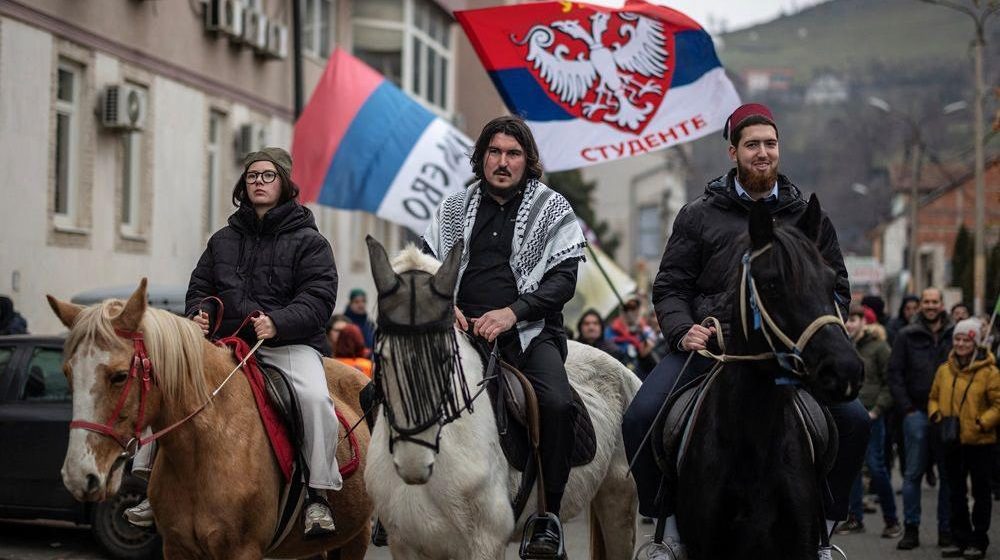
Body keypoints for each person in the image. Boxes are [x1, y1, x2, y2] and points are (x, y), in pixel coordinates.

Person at [622, 103, 868, 560]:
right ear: (733, 152)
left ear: (779, 150)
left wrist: (816, 335)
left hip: (789, 355)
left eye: (770, 144)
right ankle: (667, 535)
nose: (762, 153)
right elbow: (671, 286)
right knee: (641, 417)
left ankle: (823, 535)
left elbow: (836, 286)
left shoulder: (807, 216)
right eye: (752, 144)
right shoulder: (698, 215)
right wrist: (683, 331)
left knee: (854, 421)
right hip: (710, 349)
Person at [125, 148, 341, 537]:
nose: (258, 182)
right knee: (166, 386)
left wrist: (278, 322)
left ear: (286, 185)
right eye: (252, 176)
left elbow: (319, 297)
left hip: (286, 346)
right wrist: (200, 312)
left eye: (267, 175)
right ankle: (146, 487)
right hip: (223, 346)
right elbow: (200, 286)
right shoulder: (222, 239)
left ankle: (317, 496)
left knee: (315, 400)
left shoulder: (311, 242)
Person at [422, 115, 586, 557]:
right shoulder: (454, 207)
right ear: (482, 158)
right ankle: (396, 505)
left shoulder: (553, 209)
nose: (502, 161)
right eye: (494, 152)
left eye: (513, 154)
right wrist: (445, 306)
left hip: (528, 334)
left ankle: (547, 517)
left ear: (526, 161)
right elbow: (423, 264)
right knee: (392, 388)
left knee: (556, 403)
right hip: (456, 330)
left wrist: (513, 313)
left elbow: (562, 281)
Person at [887, 287, 955, 550]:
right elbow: (895, 374)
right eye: (926, 301)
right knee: (913, 473)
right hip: (915, 413)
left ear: (941, 304)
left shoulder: (953, 334)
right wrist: (906, 408)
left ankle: (945, 530)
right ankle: (912, 528)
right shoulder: (906, 335)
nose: (929, 305)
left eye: (934, 301)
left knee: (948, 475)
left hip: (947, 415)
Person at [928, 317, 1000, 559]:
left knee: (981, 493)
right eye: (956, 339)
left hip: (980, 441)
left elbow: (998, 404)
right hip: (951, 441)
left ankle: (978, 541)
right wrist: (936, 414)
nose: (959, 343)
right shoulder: (943, 370)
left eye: (965, 339)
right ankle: (960, 539)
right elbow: (933, 397)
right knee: (954, 492)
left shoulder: (990, 372)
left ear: (975, 343)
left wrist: (983, 422)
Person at [839, 304, 901, 538]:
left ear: (864, 322)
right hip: (848, 417)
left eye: (855, 319)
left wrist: (877, 410)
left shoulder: (879, 347)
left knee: (876, 468)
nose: (850, 323)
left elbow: (890, 382)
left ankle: (892, 520)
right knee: (851, 470)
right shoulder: (841, 345)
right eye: (847, 319)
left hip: (872, 417)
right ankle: (854, 518)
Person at [609, 295, 658, 378]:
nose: (631, 311)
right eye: (627, 307)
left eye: (634, 307)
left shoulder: (645, 330)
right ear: (622, 310)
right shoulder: (612, 330)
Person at [343, 288, 375, 353]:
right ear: (350, 303)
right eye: (357, 302)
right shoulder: (344, 323)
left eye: (363, 301)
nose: (361, 305)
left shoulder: (370, 324)